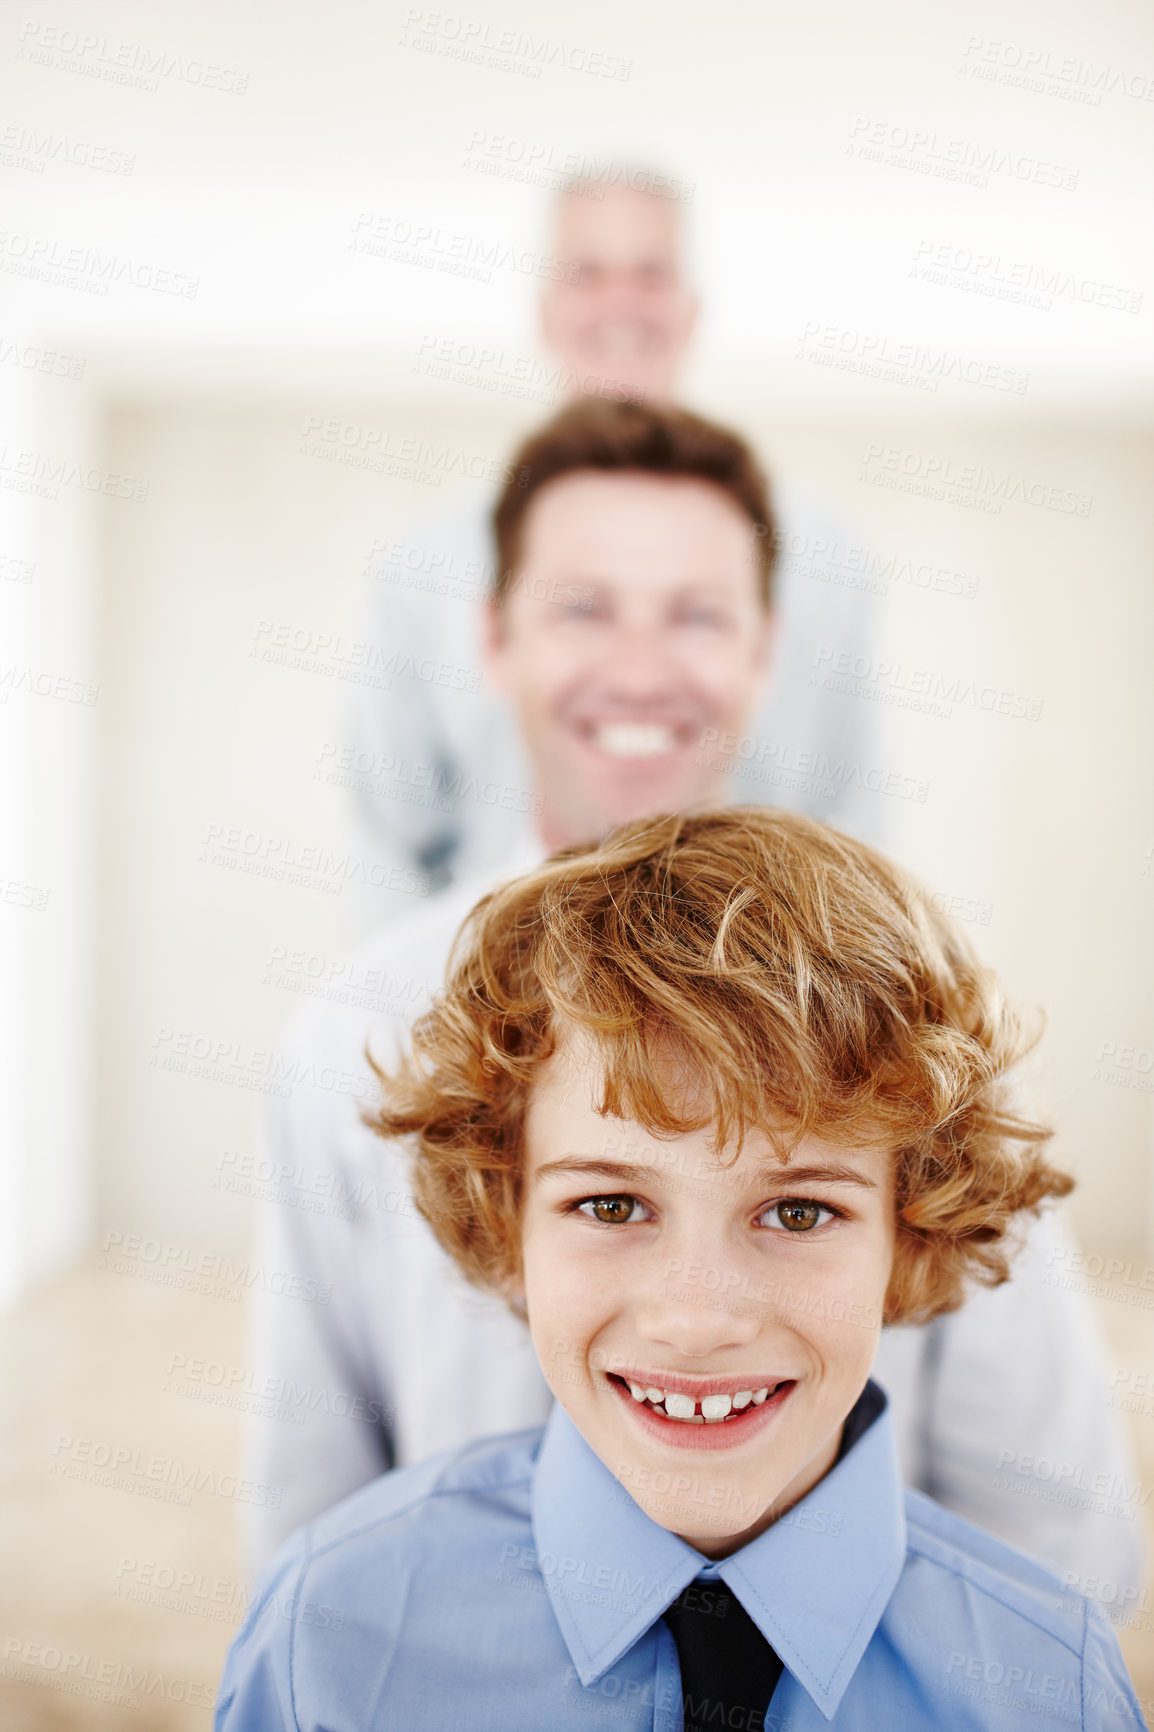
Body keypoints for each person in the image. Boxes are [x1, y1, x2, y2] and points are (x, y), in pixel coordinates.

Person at [246, 399, 1143, 1608]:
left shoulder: (917, 990)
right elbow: (309, 1508)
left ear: (763, 650)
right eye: (581, 606)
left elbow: (1047, 1523)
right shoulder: (352, 1032)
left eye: (695, 614)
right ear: (491, 639)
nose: (638, 666)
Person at [218, 810, 1144, 1729]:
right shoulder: (330, 1642)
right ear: (507, 1223)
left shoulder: (1046, 1682)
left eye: (798, 1211)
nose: (697, 1321)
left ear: (911, 1238)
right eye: (612, 1206)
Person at [346, 177, 882, 926]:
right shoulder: (425, 562)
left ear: (691, 312)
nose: (620, 301)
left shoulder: (823, 558)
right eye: (587, 273)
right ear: (545, 314)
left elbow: (851, 815)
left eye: (650, 273)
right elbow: (388, 835)